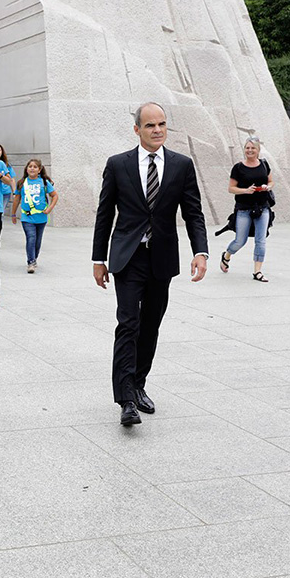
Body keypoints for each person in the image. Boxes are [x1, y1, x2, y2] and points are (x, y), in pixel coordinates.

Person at [92, 102, 209, 426]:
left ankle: (139, 383)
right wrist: (98, 258)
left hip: (161, 257)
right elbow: (105, 215)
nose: (157, 130)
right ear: (137, 130)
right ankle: (126, 398)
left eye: (161, 124)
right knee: (128, 323)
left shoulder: (181, 165)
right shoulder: (118, 165)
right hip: (128, 257)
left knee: (150, 325)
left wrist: (201, 252)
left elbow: (193, 213)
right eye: (150, 126)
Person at [220, 136, 274, 282]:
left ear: (258, 150)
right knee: (240, 241)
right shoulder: (238, 168)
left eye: (253, 148)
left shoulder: (264, 164)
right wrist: (246, 190)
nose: (250, 150)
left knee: (260, 240)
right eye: (247, 148)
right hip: (244, 209)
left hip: (263, 208)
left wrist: (268, 187)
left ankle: (257, 272)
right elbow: (231, 189)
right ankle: (226, 256)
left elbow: (271, 181)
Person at [11, 159, 58, 273]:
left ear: (39, 170)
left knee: (37, 241)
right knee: (31, 237)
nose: (32, 168)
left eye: (35, 167)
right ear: (26, 169)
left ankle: (34, 258)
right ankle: (31, 262)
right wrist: (13, 213)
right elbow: (17, 199)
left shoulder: (44, 182)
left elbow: (55, 196)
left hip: (41, 217)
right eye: (30, 166)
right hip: (27, 217)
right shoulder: (22, 183)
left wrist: (49, 208)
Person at [0, 143, 15, 217]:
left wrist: (14, 192)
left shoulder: (6, 165)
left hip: (5, 193)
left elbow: (12, 179)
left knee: (0, 212)